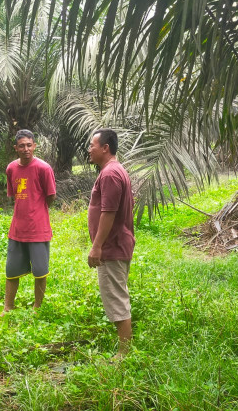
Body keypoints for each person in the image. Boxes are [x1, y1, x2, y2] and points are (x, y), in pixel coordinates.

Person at [87, 128, 135, 357]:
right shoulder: (114, 171)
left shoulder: (110, 174)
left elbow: (108, 212)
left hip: (113, 247)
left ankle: (124, 354)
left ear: (105, 148)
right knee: (118, 295)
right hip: (116, 245)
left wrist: (97, 246)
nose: (89, 150)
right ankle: (124, 349)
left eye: (92, 145)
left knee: (116, 299)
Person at [3, 129, 56, 312]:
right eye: (21, 146)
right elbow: (14, 196)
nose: (26, 149)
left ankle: (37, 307)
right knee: (11, 272)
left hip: (39, 229)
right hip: (17, 229)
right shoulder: (11, 168)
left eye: (29, 145)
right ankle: (7, 307)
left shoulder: (44, 168)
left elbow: (51, 196)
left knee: (40, 271)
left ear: (34, 146)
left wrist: (37, 211)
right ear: (15, 148)